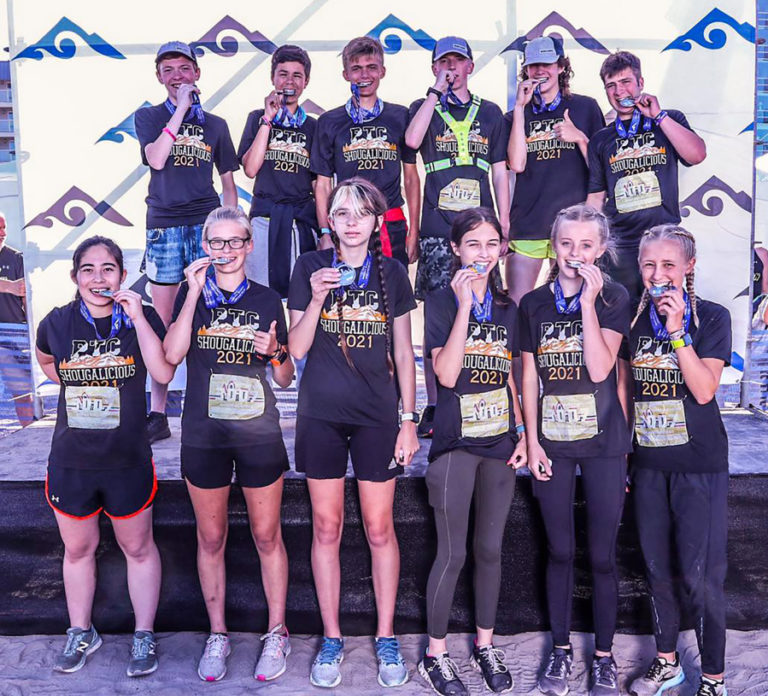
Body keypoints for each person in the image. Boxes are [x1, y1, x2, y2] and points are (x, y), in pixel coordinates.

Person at [287, 178, 419, 688]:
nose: (350, 221)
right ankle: (332, 637)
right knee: (326, 528)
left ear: (375, 220)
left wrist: (409, 420)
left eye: (360, 213)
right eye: (341, 212)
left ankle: (386, 636)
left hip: (377, 417)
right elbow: (296, 350)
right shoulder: (308, 267)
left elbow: (404, 354)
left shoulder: (390, 273)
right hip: (320, 414)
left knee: (379, 528)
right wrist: (317, 300)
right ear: (331, 221)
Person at [163, 206, 294, 682]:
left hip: (257, 433)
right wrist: (193, 291)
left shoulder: (266, 299)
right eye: (215, 243)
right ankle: (217, 635)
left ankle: (276, 632)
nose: (224, 251)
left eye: (234, 242)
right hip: (204, 434)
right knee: (211, 537)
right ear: (205, 247)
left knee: (266, 536)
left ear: (248, 246)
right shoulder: (190, 293)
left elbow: (284, 377)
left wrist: (275, 351)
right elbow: (171, 355)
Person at [34, 236, 173, 678]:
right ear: (74, 277)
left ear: (123, 274)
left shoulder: (141, 316)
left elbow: (164, 371)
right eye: (88, 269)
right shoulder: (56, 322)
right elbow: (46, 359)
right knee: (78, 550)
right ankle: (80, 631)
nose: (99, 278)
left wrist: (138, 317)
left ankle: (144, 634)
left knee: (137, 546)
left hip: (127, 456)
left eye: (108, 268)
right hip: (72, 459)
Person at [519, 204, 631, 696]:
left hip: (604, 442)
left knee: (602, 556)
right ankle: (561, 651)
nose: (575, 253)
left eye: (586, 245)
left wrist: (588, 303)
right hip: (554, 445)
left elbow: (603, 369)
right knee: (561, 550)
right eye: (566, 243)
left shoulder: (615, 297)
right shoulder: (533, 304)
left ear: (601, 251)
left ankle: (603, 657)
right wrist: (531, 438)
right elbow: (526, 376)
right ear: (553, 244)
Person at [418, 207, 526, 696]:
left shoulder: (510, 309)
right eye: (472, 245)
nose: (482, 254)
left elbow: (514, 376)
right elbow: (444, 374)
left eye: (490, 244)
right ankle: (435, 656)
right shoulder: (440, 302)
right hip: (455, 444)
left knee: (490, 550)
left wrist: (525, 432)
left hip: (501, 443)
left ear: (501, 249)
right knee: (453, 552)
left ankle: (485, 644)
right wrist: (464, 306)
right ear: (457, 249)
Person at [621, 225, 730, 696]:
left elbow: (704, 390)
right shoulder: (629, 317)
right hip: (648, 463)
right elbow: (627, 389)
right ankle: (668, 663)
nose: (658, 274)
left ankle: (714, 678)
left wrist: (677, 333)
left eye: (669, 264)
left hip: (698, 464)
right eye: (649, 264)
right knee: (657, 567)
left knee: (700, 576)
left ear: (689, 266)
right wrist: (625, 452)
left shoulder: (713, 317)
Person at [405, 36, 509, 437]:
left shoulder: (492, 112)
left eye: (458, 61)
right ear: (434, 68)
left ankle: (484, 390)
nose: (451, 67)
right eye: (443, 62)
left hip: (480, 229)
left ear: (470, 66)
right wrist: (435, 94)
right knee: (437, 314)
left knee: (484, 307)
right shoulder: (423, 107)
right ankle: (435, 404)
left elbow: (500, 170)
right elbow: (412, 143)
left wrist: (505, 220)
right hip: (437, 229)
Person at [135, 40, 239, 441]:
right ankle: (158, 413)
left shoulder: (216, 125)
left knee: (210, 315)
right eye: (168, 70)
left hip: (204, 225)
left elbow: (229, 183)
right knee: (164, 322)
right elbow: (158, 158)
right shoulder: (148, 117)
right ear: (160, 77)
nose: (177, 76)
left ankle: (212, 403)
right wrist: (179, 109)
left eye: (183, 69)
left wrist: (226, 228)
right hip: (163, 225)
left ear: (196, 73)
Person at [586, 51, 706, 304]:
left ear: (641, 83)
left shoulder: (669, 119)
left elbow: (696, 155)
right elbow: (596, 198)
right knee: (623, 320)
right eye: (611, 85)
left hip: (663, 240)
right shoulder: (601, 139)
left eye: (626, 82)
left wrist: (659, 117)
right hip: (621, 247)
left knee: (665, 311)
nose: (619, 92)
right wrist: (588, 242)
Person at [506, 36, 605, 305]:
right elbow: (516, 164)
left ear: (561, 67)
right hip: (528, 223)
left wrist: (580, 138)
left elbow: (602, 170)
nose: (540, 71)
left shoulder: (586, 107)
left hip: (574, 225)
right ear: (526, 70)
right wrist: (518, 108)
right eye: (533, 65)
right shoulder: (515, 114)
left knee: (574, 305)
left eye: (547, 64)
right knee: (518, 306)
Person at [310, 36, 420, 267]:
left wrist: (415, 231)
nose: (364, 76)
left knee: (392, 296)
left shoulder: (400, 116)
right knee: (349, 295)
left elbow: (410, 177)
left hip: (391, 222)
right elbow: (322, 184)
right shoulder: (330, 121)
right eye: (356, 69)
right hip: (348, 224)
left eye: (371, 68)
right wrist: (325, 233)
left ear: (383, 71)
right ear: (346, 75)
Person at [238, 44, 319, 298]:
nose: (289, 81)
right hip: (264, 221)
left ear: (306, 81)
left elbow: (320, 185)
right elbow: (251, 169)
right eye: (283, 74)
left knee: (300, 299)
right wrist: (267, 120)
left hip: (301, 224)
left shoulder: (314, 127)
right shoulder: (256, 118)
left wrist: (325, 232)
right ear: (273, 78)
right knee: (261, 296)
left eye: (297, 75)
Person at [0, 212, 34, 425]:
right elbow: (15, 288)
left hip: (12, 334)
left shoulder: (16, 258)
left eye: (3, 228)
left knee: (21, 389)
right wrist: (8, 286)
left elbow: (26, 298)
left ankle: (29, 431)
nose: (2, 233)